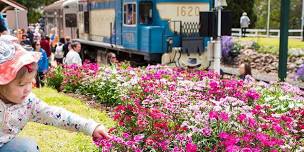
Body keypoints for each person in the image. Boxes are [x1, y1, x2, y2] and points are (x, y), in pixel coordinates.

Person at [0, 36, 110, 151]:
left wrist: (90, 127)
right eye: (22, 84)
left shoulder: (28, 103)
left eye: (30, 82)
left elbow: (56, 115)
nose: (28, 89)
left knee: (27, 148)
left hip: (4, 145)